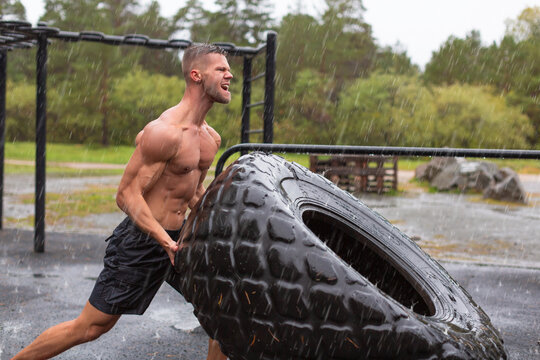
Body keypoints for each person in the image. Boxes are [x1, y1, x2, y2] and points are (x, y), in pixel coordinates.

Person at [12, 43, 233, 360]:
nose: (230, 74)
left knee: (223, 314)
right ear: (196, 75)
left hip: (181, 239)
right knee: (90, 328)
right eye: (221, 69)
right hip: (143, 240)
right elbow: (127, 195)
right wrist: (162, 240)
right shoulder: (165, 133)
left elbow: (193, 192)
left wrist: (221, 224)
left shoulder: (210, 139)